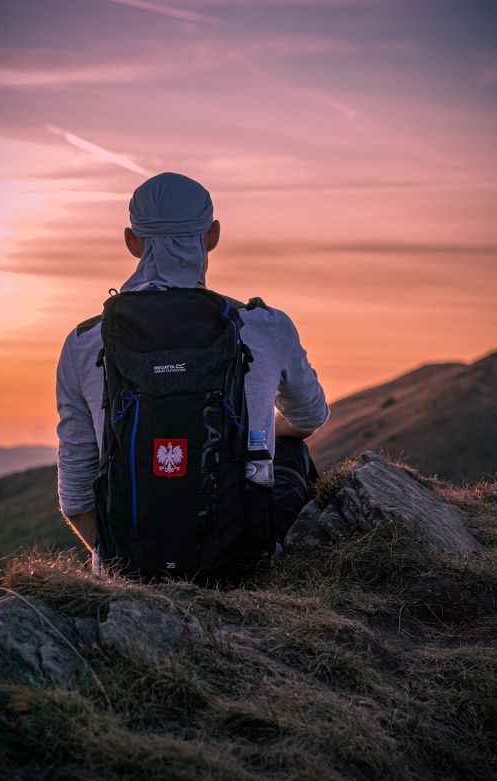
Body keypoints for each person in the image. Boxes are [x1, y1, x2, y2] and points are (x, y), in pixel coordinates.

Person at [56, 172, 329, 564]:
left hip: (131, 566)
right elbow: (310, 416)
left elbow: (77, 496)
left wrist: (118, 562)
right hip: (241, 559)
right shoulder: (266, 327)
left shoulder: (84, 343)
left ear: (132, 242)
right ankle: (283, 566)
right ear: (213, 235)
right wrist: (268, 427)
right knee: (292, 449)